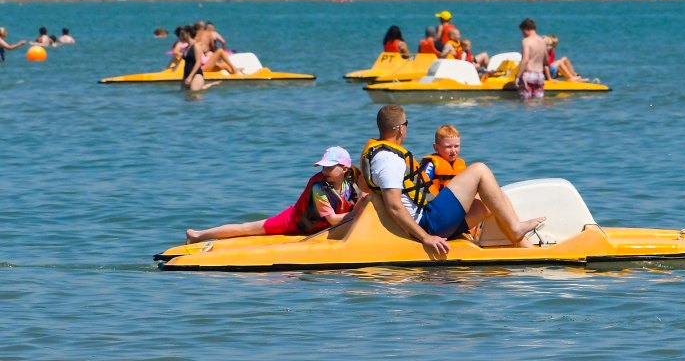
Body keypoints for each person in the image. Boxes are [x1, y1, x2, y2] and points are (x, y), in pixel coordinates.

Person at [361, 105, 545, 255]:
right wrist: (426, 237)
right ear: (401, 128)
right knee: (479, 169)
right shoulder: (388, 159)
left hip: (431, 218)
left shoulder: (380, 154)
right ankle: (515, 228)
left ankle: (526, 250)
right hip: (428, 222)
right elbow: (394, 206)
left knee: (492, 200)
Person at [186, 146, 360, 243]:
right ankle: (197, 235)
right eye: (323, 166)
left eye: (329, 167)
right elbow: (333, 220)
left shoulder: (352, 183)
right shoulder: (319, 187)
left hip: (315, 227)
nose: (324, 170)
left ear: (344, 168)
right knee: (247, 229)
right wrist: (357, 213)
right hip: (294, 221)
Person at [515, 18, 548, 99]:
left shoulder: (526, 41)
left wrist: (518, 76)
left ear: (526, 29)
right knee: (538, 103)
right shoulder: (542, 41)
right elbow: (546, 59)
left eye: (522, 32)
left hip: (528, 75)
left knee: (526, 105)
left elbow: (525, 60)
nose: (522, 34)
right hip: (540, 76)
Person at [180, 25, 207, 91]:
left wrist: (190, 77)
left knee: (194, 96)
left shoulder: (196, 46)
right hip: (187, 74)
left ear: (188, 34)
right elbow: (186, 63)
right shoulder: (186, 47)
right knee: (185, 97)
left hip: (196, 75)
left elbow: (198, 62)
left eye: (183, 34)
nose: (181, 36)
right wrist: (184, 77)